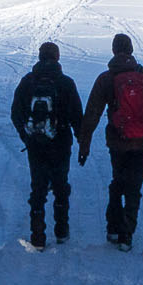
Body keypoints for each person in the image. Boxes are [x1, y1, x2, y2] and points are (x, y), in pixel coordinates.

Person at [78, 32, 143, 252]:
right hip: (142, 141)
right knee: (134, 187)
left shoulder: (106, 78)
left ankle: (113, 227)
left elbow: (92, 113)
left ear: (114, 51)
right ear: (131, 50)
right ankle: (126, 236)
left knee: (118, 181)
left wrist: (84, 145)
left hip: (117, 142)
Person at [11, 41, 84, 250]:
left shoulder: (27, 82)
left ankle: (38, 238)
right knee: (61, 186)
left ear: (40, 56)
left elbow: (15, 113)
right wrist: (82, 143)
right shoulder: (66, 83)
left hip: (36, 145)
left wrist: (27, 136)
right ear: (57, 58)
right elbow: (78, 117)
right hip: (61, 143)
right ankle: (61, 232)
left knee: (38, 189)